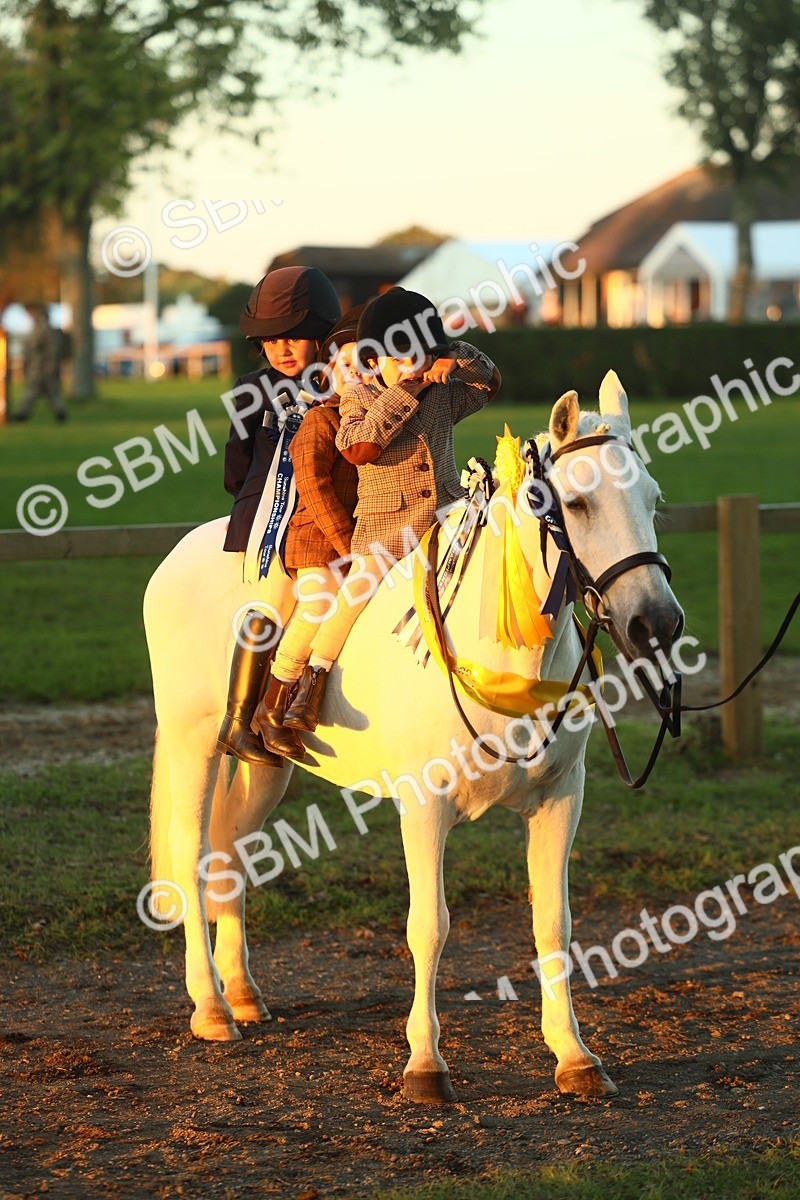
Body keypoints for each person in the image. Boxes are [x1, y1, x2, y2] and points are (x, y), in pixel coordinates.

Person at [268, 286, 501, 719]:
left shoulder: (443, 392)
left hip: (449, 516)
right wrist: (406, 393)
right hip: (385, 532)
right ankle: (311, 681)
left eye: (421, 355)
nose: (413, 366)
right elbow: (359, 447)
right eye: (401, 358)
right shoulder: (358, 396)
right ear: (372, 362)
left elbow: (490, 383)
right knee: (355, 593)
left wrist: (457, 355)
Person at [216, 265, 341, 766]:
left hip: (320, 518)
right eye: (270, 341)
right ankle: (239, 721)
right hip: (267, 520)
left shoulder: (341, 385)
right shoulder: (251, 390)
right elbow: (236, 468)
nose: (281, 349)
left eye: (294, 337)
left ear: (323, 336)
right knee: (271, 600)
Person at [250, 306, 364, 758]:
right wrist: (346, 546)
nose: (355, 375)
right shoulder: (322, 420)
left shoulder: (372, 420)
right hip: (312, 541)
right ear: (328, 373)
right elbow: (314, 490)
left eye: (364, 366)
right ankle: (272, 705)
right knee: (319, 602)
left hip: (350, 540)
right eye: (345, 366)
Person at [12, 303, 67, 423]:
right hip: (38, 365)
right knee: (49, 392)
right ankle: (60, 414)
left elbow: (50, 348)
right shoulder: (38, 327)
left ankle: (23, 414)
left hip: (42, 366)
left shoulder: (43, 328)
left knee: (38, 390)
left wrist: (51, 363)